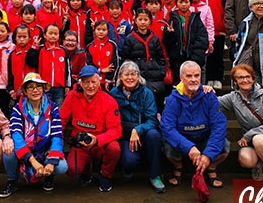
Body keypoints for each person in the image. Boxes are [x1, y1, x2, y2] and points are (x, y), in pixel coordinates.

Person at [217, 64, 263, 194]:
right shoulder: (233, 98)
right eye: (240, 78)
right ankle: (259, 164)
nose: (244, 80)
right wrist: (204, 90)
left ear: (253, 79)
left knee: (259, 140)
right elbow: (212, 102)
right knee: (245, 158)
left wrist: (248, 136)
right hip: (252, 143)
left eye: (247, 77)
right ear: (235, 81)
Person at [161, 61, 229, 189]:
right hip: (183, 140)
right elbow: (167, 128)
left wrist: (208, 155)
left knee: (224, 146)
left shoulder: (209, 96)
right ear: (181, 78)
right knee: (168, 147)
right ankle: (178, 168)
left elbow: (219, 125)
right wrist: (190, 147)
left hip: (203, 137)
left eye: (197, 76)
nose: (193, 80)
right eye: (189, 76)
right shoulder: (172, 99)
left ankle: (211, 169)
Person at [60, 66, 122, 192]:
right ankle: (86, 172)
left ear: (99, 82)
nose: (90, 86)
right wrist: (57, 138)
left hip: (101, 144)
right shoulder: (72, 96)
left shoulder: (109, 101)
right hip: (80, 144)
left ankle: (105, 175)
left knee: (114, 148)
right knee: (72, 170)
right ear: (80, 83)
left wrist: (97, 140)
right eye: (86, 82)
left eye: (93, 81)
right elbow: (60, 120)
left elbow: (116, 130)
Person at [109, 61, 165, 193]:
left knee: (154, 135)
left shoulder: (147, 93)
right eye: (126, 74)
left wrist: (137, 130)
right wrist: (130, 131)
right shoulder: (114, 93)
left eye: (133, 74)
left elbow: (152, 119)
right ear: (120, 77)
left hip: (143, 131)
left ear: (138, 76)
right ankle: (127, 169)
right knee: (130, 161)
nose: (130, 78)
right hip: (124, 134)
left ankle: (155, 175)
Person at [9, 73, 68, 192]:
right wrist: (31, 160)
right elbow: (16, 135)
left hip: (43, 151)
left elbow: (57, 135)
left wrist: (52, 161)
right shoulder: (18, 109)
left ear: (43, 89)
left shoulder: (52, 108)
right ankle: (12, 181)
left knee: (61, 167)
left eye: (38, 86)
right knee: (7, 154)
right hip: (25, 151)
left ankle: (48, 176)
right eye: (30, 87)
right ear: (25, 91)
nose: (35, 90)